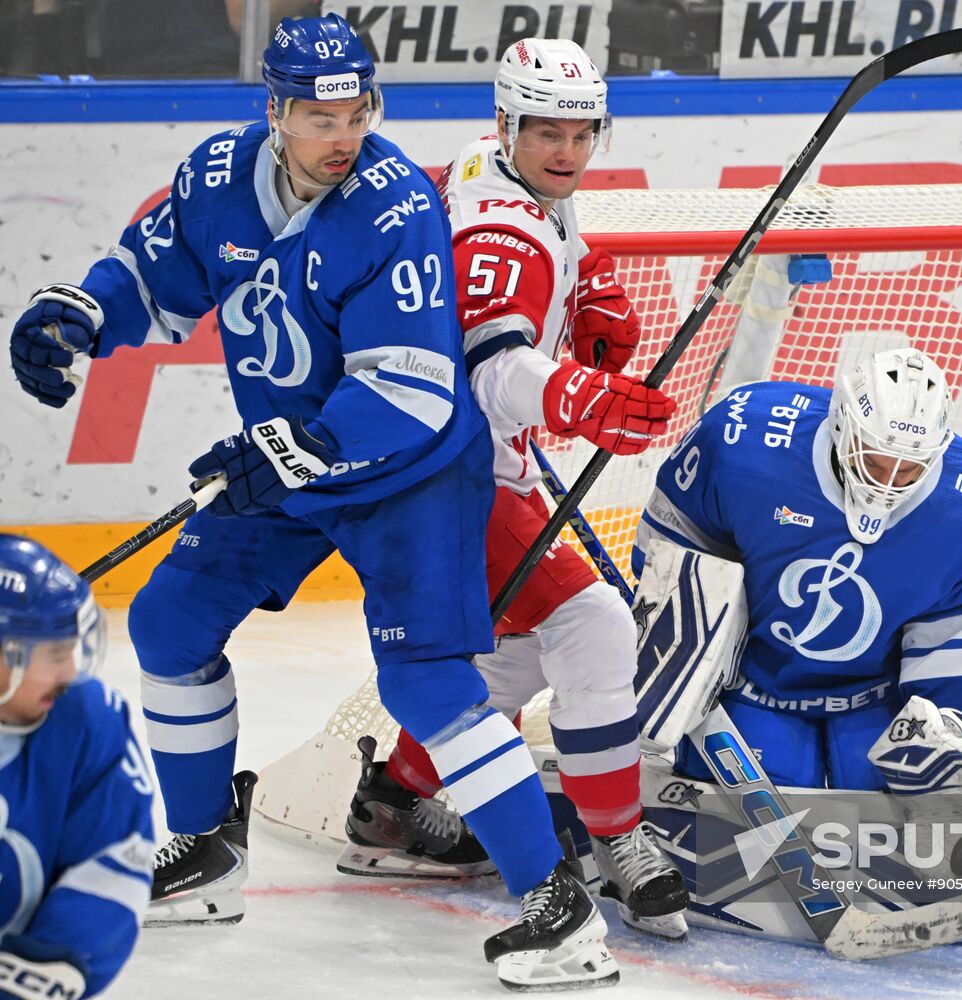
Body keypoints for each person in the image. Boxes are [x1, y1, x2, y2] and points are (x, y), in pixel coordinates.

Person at [8, 14, 617, 989]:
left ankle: (557, 904)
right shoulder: (216, 180)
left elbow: (413, 387)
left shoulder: (393, 210)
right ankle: (205, 848)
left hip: (407, 474)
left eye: (357, 112)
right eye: (319, 115)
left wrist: (292, 446)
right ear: (274, 111)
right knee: (168, 623)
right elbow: (149, 273)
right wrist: (81, 314)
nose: (342, 134)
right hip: (288, 466)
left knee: (425, 686)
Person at [336, 36, 688, 941]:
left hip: (450, 462)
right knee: (594, 625)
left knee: (519, 652)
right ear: (508, 124)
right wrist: (573, 387)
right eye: (545, 132)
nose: (566, 151)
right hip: (452, 473)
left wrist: (589, 284)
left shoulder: (493, 174)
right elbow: (492, 363)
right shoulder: (505, 225)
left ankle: (398, 801)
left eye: (581, 132)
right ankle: (620, 839)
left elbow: (521, 271)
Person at [633, 346, 962, 800]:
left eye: (909, 469)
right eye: (875, 459)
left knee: (919, 811)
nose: (888, 479)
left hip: (884, 697)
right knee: (751, 822)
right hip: (752, 683)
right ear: (841, 423)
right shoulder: (742, 437)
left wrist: (952, 724)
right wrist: (682, 657)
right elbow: (672, 550)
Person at [0, 534, 154, 999]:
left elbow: (112, 861)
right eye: (53, 654)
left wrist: (44, 966)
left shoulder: (86, 719)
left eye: (72, 649)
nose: (70, 673)